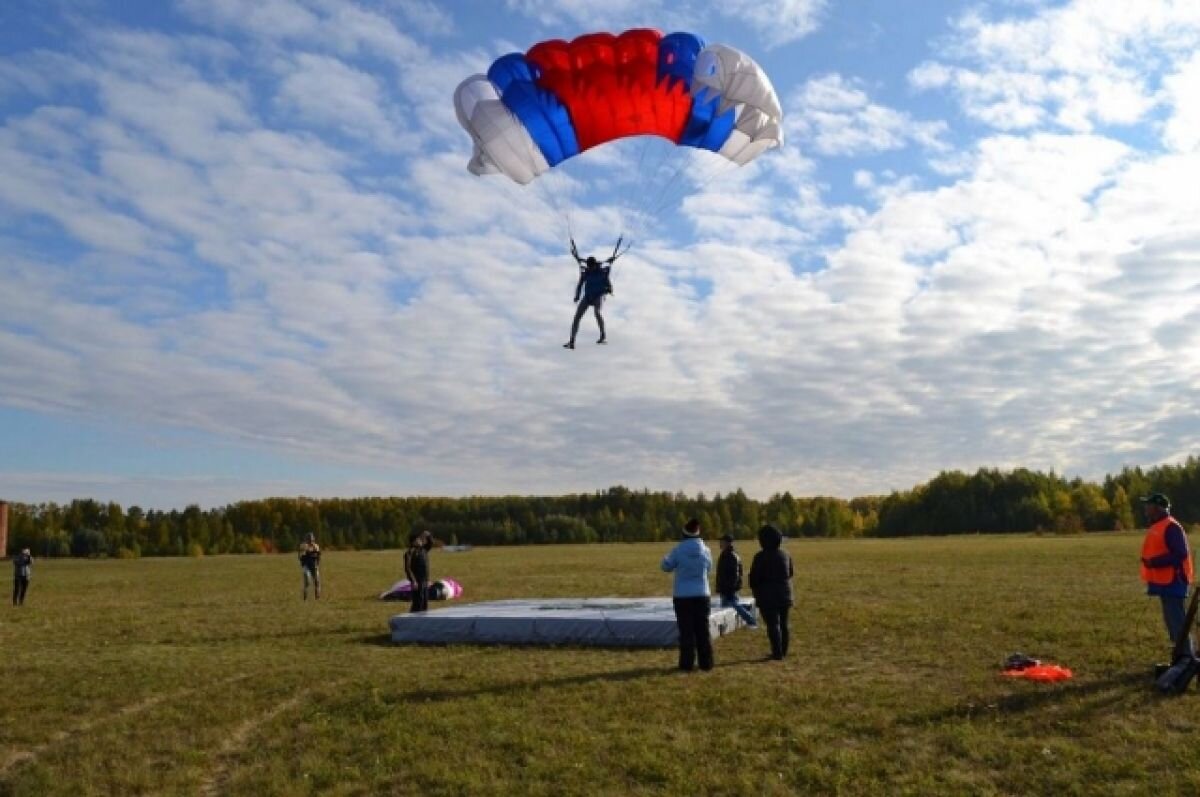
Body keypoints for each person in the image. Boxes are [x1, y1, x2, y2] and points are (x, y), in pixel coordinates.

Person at [1139, 493, 1194, 658]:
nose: (1145, 508)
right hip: (1164, 580)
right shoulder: (1159, 525)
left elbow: (1180, 554)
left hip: (1174, 580)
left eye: (1148, 504)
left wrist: (1154, 562)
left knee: (1177, 621)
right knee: (1172, 621)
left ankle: (1186, 657)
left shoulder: (1171, 526)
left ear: (1157, 507)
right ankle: (1181, 654)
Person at [661, 518, 714, 671]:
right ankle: (706, 663)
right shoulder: (706, 550)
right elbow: (709, 568)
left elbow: (666, 566)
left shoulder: (677, 550)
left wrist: (666, 558)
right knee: (703, 630)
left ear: (684, 534)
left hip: (683, 596)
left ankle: (686, 664)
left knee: (686, 631)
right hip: (702, 594)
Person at [748, 524, 794, 660]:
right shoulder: (785, 555)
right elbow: (790, 573)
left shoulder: (760, 557)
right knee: (784, 624)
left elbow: (754, 578)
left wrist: (756, 589)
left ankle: (777, 652)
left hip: (767, 596)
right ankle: (783, 650)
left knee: (773, 624)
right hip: (785, 594)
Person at [563, 247, 615, 349]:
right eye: (589, 267)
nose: (590, 268)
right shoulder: (586, 272)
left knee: (597, 312)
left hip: (599, 295)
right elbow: (580, 284)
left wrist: (609, 289)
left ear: (595, 265)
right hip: (587, 296)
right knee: (577, 317)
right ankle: (572, 341)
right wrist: (577, 295)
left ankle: (603, 335)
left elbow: (609, 284)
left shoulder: (602, 271)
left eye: (592, 267)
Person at [716, 533, 758, 628]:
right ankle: (746, 607)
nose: (719, 543)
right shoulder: (724, 555)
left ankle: (751, 621)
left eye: (721, 541)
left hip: (729, 589)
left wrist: (729, 589)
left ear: (727, 543)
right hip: (725, 588)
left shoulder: (731, 557)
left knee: (733, 605)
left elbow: (735, 575)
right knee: (727, 606)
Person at [403, 530, 432, 613]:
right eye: (418, 539)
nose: (421, 541)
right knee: (417, 602)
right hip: (417, 581)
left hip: (425, 580)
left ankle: (423, 620)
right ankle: (412, 620)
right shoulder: (409, 553)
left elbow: (430, 543)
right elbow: (407, 568)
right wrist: (413, 581)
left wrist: (428, 535)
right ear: (413, 541)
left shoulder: (424, 550)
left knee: (425, 601)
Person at [298, 533, 321, 600]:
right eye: (309, 540)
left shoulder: (316, 546)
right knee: (307, 581)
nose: (311, 541)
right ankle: (305, 596)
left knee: (317, 581)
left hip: (314, 565)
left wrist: (317, 564)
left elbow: (318, 556)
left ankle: (317, 597)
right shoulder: (303, 546)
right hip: (306, 566)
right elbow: (300, 556)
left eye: (311, 540)